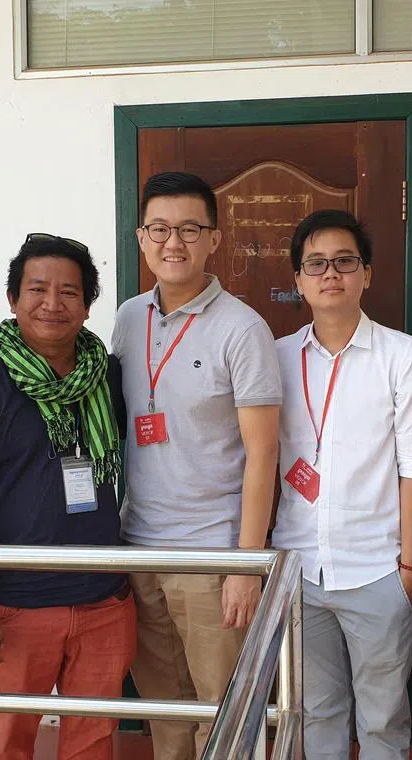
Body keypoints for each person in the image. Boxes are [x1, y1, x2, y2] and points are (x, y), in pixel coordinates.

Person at [0, 233, 134, 760]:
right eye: (37, 289)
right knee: (3, 744)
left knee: (92, 743)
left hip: (103, 600)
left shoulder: (109, 377)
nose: (53, 304)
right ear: (12, 299)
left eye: (69, 291)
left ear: (89, 305)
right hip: (14, 607)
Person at [112, 171, 281, 760]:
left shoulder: (243, 328)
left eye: (189, 228)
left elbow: (264, 453)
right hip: (139, 549)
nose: (173, 242)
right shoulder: (129, 318)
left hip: (211, 557)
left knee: (224, 712)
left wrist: (244, 563)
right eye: (159, 228)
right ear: (141, 237)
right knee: (166, 712)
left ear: (214, 239)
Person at [270, 210, 412, 759]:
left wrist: (410, 572)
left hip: (378, 570)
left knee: (384, 719)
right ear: (298, 279)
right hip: (299, 568)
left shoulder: (403, 355)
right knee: (315, 712)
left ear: (366, 272)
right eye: (315, 264)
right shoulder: (276, 358)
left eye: (345, 261)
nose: (330, 274)